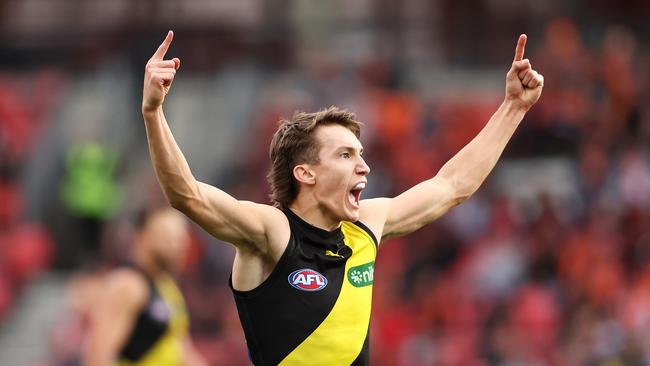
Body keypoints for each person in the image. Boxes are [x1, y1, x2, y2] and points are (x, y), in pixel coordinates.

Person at [141, 30, 543, 365]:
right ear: (305, 172)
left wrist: (513, 108)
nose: (364, 167)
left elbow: (452, 186)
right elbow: (187, 195)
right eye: (346, 155)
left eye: (362, 155)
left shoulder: (367, 224)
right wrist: (154, 113)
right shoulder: (273, 232)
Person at [82, 207, 206, 366]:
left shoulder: (167, 287)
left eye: (180, 238)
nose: (177, 245)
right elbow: (97, 357)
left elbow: (182, 349)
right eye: (167, 236)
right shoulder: (128, 285)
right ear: (141, 236)